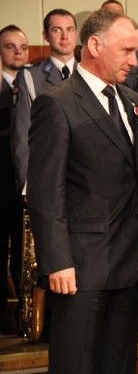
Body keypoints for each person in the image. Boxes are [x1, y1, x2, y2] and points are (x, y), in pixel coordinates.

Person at [27, 9, 138, 374]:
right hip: (80, 270)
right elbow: (46, 192)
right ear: (95, 45)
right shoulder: (56, 102)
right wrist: (57, 261)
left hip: (129, 265)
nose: (135, 60)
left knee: (119, 365)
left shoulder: (133, 101)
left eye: (136, 51)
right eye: (126, 50)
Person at [11, 9, 78, 194]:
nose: (65, 36)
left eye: (70, 29)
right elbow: (22, 133)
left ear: (76, 34)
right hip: (48, 176)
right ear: (45, 36)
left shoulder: (89, 73)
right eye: (57, 30)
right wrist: (27, 186)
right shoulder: (31, 77)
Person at [0, 24, 29, 330]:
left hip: (24, 180)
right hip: (1, 178)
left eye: (22, 47)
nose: (18, 52)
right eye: (9, 46)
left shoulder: (34, 82)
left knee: (24, 250)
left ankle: (26, 312)